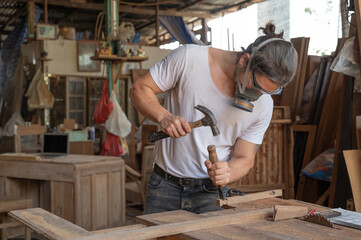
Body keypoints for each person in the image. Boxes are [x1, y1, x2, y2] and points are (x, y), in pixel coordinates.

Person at [129, 22, 298, 214]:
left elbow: (244, 158)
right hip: (165, 186)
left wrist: (228, 172)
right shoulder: (189, 58)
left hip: (211, 194)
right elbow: (139, 89)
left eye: (266, 92)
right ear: (244, 60)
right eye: (255, 85)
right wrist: (164, 117)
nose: (257, 96)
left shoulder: (264, 104)